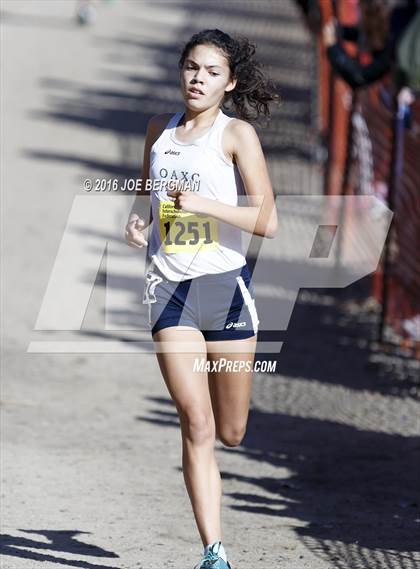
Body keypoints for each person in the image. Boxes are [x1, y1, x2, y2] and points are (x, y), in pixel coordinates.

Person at [125, 29, 278, 569]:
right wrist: (141, 223)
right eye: (192, 67)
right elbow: (151, 196)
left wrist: (209, 205)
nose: (197, 78)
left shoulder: (236, 136)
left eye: (212, 72)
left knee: (231, 432)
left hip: (226, 292)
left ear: (230, 82)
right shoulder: (158, 132)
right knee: (197, 421)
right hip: (170, 292)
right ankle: (213, 552)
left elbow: (268, 221)